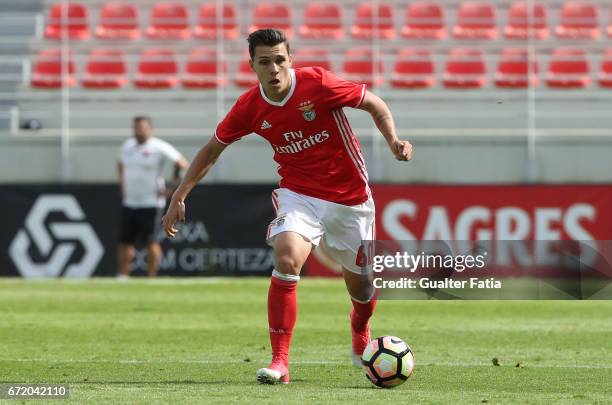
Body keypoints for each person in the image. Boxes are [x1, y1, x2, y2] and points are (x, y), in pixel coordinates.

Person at [162, 29, 413, 384]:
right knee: (286, 256)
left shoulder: (318, 83)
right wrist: (179, 194)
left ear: (290, 60)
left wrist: (393, 140)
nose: (274, 68)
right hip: (299, 194)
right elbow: (213, 149)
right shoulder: (250, 106)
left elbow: (374, 103)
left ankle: (360, 329)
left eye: (280, 60)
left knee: (362, 288)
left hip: (349, 199)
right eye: (265, 62)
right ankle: (280, 362)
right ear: (252, 66)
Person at [118, 116, 188, 278]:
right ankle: (122, 276)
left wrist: (170, 188)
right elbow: (120, 164)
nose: (138, 131)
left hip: (151, 203)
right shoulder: (127, 146)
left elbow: (181, 164)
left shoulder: (159, 147)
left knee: (151, 241)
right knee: (125, 241)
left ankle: (151, 276)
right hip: (130, 201)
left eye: (142, 128)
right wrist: (123, 185)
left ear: (150, 129)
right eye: (136, 128)